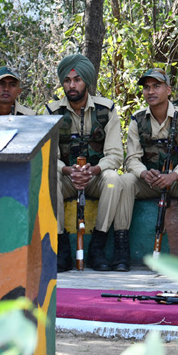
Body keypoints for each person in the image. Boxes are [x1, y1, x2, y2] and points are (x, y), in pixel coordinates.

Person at [45, 54, 128, 272]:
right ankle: (61, 249)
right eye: (67, 81)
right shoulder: (52, 112)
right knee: (48, 178)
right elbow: (47, 155)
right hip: (66, 178)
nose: (71, 85)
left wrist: (95, 169)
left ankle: (97, 248)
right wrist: (66, 170)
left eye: (77, 80)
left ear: (87, 82)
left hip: (95, 177)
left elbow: (115, 155)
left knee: (113, 180)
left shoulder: (106, 109)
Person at [117, 68, 178, 267]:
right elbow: (132, 159)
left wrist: (173, 176)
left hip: (176, 181)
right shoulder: (137, 120)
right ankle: (121, 250)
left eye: (157, 86)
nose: (151, 92)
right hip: (149, 181)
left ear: (168, 90)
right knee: (125, 180)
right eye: (146, 88)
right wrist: (144, 173)